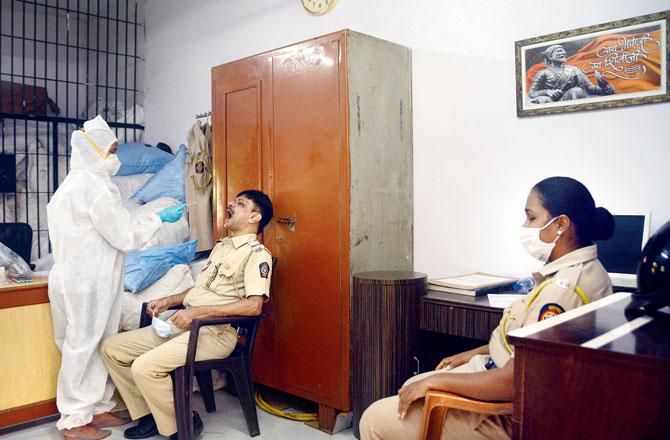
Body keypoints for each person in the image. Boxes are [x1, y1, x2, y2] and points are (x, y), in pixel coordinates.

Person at [359, 176, 615, 440]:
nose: (524, 226)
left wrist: (436, 382)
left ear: (560, 224)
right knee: (411, 385)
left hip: (509, 414)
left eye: (531, 218)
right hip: (499, 371)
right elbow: (527, 347)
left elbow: (516, 381)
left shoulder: (563, 292)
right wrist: (473, 353)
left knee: (375, 419)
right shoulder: (581, 272)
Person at [47, 116, 186, 440]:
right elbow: (124, 236)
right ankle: (73, 421)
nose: (115, 157)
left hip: (77, 277)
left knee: (96, 343)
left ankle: (96, 408)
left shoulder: (71, 184)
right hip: (89, 280)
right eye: (111, 149)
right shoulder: (96, 189)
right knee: (82, 347)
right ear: (94, 151)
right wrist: (156, 217)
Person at [98, 189, 273, 440]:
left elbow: (254, 306)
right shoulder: (223, 247)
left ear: (255, 217)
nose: (231, 204)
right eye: (234, 201)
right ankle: (149, 415)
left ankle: (183, 423)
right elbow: (200, 291)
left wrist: (198, 313)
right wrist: (169, 300)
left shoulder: (256, 255)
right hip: (184, 326)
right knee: (111, 348)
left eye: (240, 204)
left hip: (215, 333)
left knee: (144, 367)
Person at [528, 44, 615, 104]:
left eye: (563, 51)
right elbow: (532, 93)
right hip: (554, 102)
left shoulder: (574, 70)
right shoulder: (544, 73)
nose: (563, 53)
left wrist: (604, 89)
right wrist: (548, 91)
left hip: (572, 96)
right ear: (550, 56)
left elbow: (591, 89)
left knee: (576, 91)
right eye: (559, 51)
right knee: (576, 91)